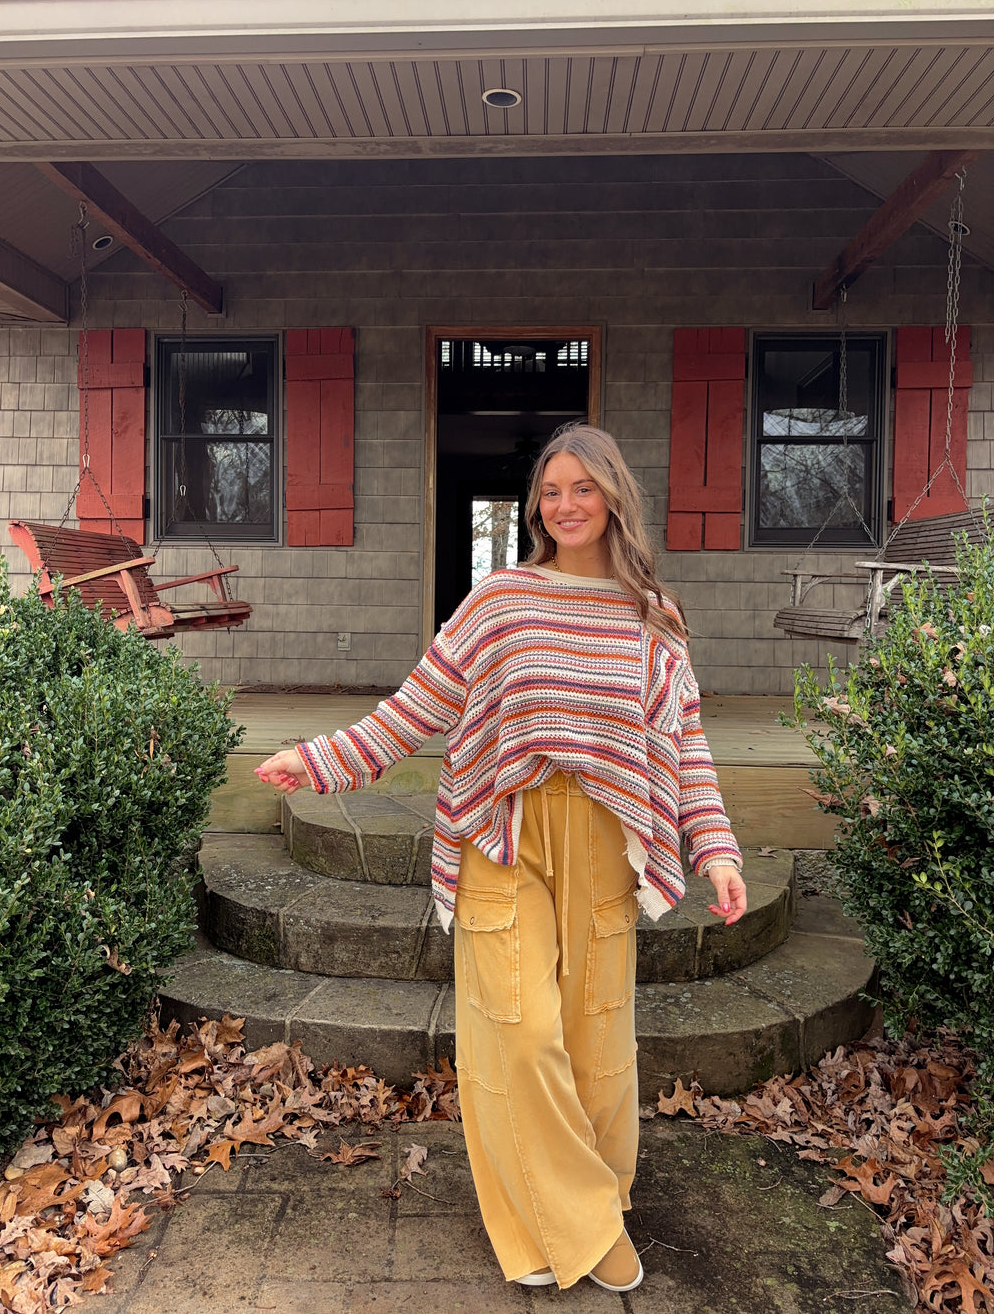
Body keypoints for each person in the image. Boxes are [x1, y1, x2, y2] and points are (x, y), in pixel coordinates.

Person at [255, 423, 747, 1293]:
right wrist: (323, 759)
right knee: (518, 1032)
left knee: (597, 1037)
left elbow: (687, 742)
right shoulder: (502, 599)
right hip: (503, 831)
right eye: (550, 491)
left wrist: (716, 847)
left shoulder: (653, 615)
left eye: (582, 488)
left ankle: (590, 1203)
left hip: (606, 840)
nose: (565, 505)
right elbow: (418, 706)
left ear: (614, 498)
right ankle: (581, 1227)